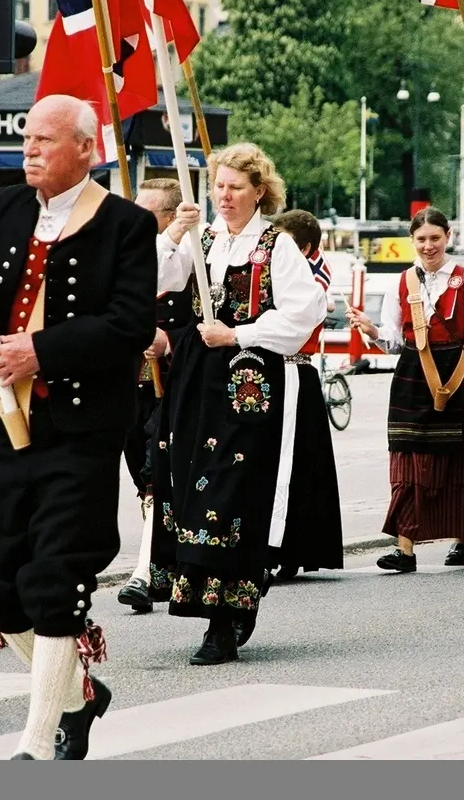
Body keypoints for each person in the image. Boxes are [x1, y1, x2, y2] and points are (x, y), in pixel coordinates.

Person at [0, 95, 156, 760]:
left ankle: (34, 744)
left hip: (79, 429)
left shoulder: (126, 224)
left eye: (45, 140)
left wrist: (42, 349)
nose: (29, 150)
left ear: (86, 148)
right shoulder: (3, 208)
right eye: (27, 139)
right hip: (4, 421)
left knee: (54, 581)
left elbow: (130, 325)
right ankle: (77, 694)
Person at [148, 143, 327, 664]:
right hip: (195, 378)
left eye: (235, 187)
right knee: (186, 482)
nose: (224, 196)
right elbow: (157, 281)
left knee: (231, 492)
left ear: (259, 192)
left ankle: (226, 617)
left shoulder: (276, 246)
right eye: (219, 186)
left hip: (246, 382)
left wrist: (242, 332)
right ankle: (206, 603)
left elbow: (306, 311)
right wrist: (174, 233)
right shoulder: (200, 240)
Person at [347, 208, 464, 571]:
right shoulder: (402, 281)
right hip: (412, 379)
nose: (428, 246)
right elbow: (394, 341)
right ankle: (405, 548)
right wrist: (372, 330)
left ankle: (463, 538)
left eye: (435, 238)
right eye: (422, 239)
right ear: (412, 241)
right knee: (407, 463)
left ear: (448, 238)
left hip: (455, 377)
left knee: (459, 461)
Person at [116, 178, 198, 615]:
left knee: (156, 474)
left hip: (175, 386)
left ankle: (144, 573)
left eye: (145, 216)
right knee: (141, 477)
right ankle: (163, 565)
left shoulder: (190, 257)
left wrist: (167, 340)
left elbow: (206, 325)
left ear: (169, 218)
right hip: (132, 387)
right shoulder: (129, 257)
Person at [267, 208, 343, 580]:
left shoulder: (312, 277)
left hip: (294, 368)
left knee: (294, 466)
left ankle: (289, 545)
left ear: (305, 247)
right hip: (278, 370)